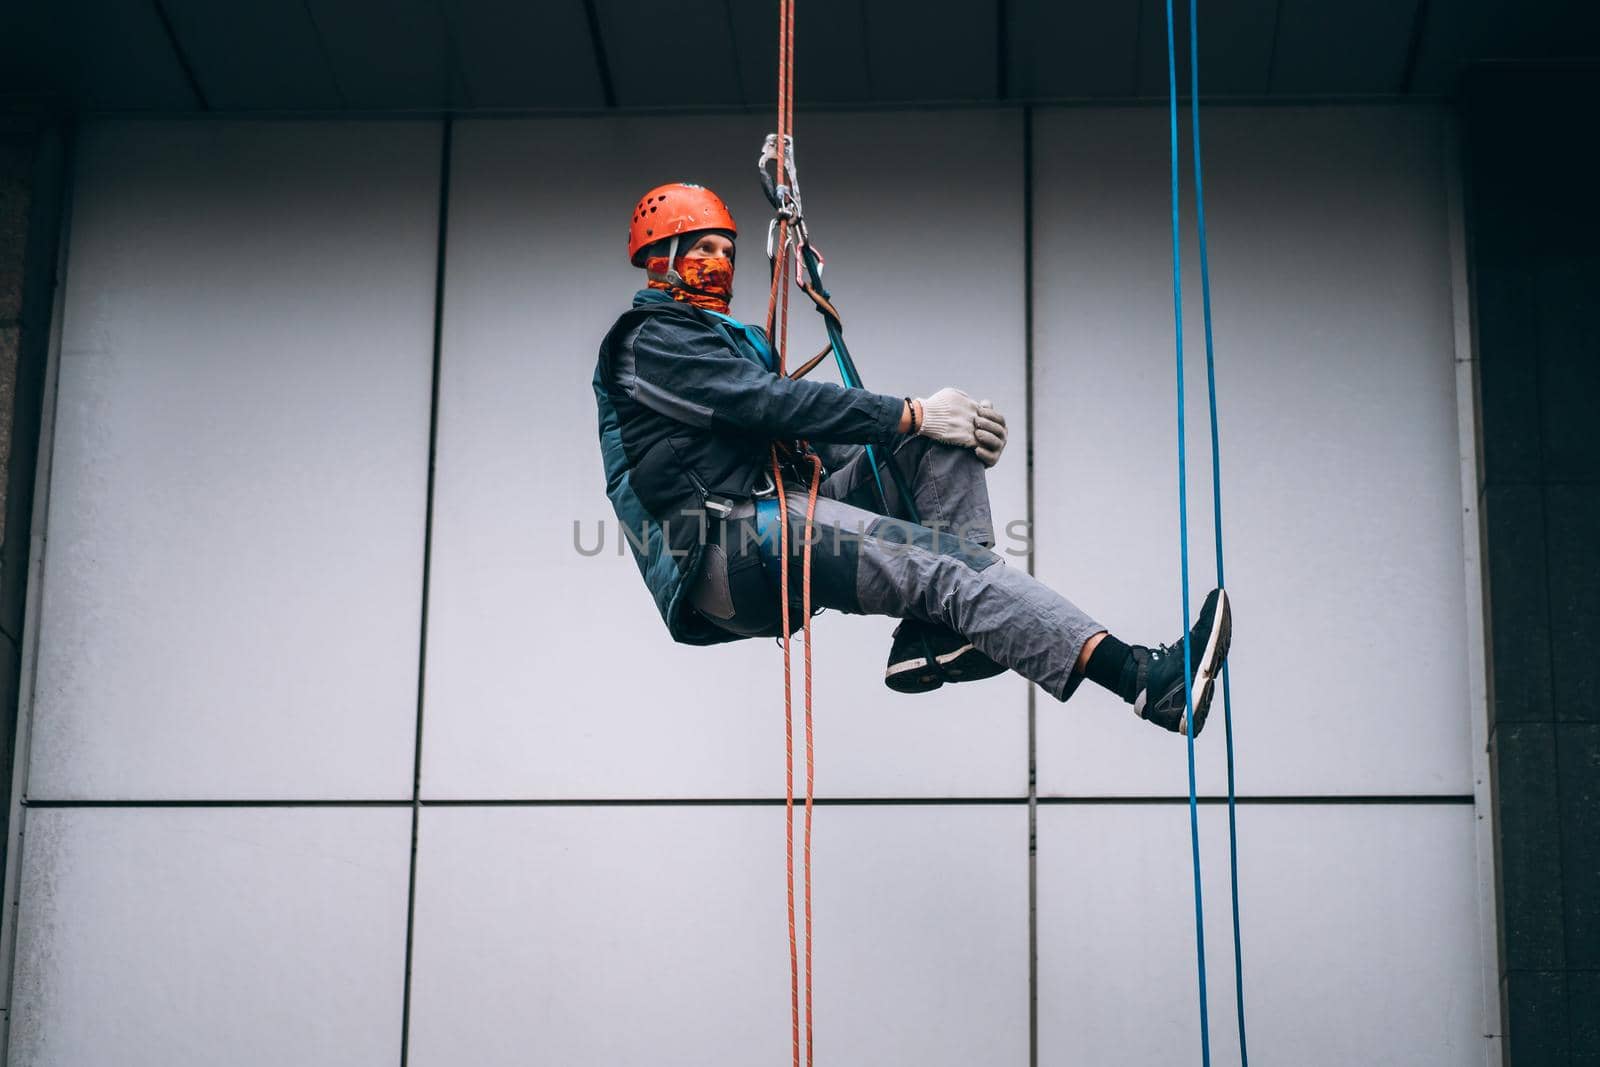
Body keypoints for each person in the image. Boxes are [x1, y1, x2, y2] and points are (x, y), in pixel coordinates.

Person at [593, 182, 1231, 734]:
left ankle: (939, 637)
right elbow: (771, 404)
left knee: (935, 454)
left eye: (727, 251)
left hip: (765, 530)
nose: (720, 262)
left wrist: (939, 427)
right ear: (657, 259)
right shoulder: (651, 343)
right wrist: (907, 411)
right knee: (945, 566)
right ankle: (1144, 681)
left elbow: (813, 439)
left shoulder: (727, 345)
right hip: (728, 548)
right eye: (702, 248)